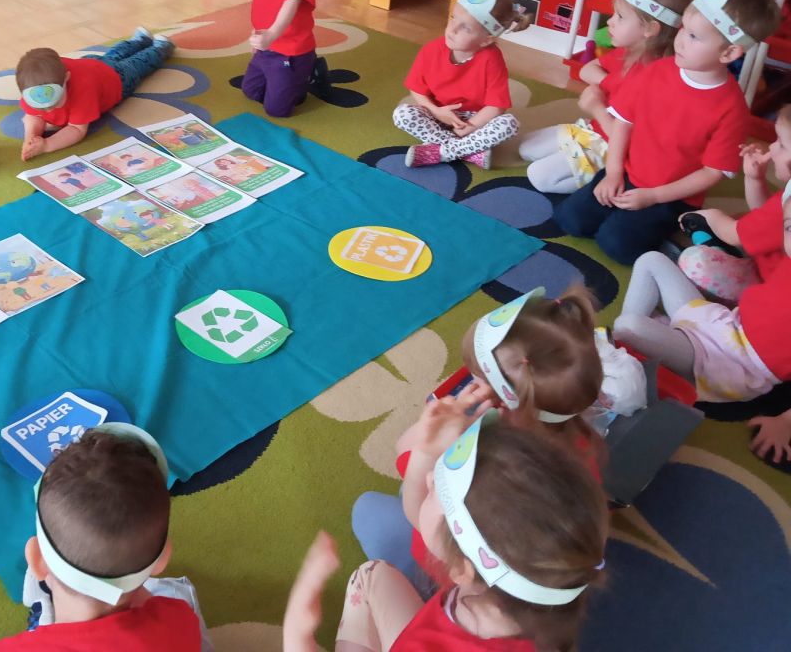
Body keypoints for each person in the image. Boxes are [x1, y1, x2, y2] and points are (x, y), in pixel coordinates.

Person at [284, 395, 608, 652]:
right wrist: (427, 452)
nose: (428, 478)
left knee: (367, 573)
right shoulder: (541, 581)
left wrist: (297, 637)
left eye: (436, 492)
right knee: (375, 567)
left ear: (461, 570)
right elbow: (425, 520)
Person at [352, 288, 603, 596]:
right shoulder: (578, 449)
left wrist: (430, 447)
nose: (470, 383)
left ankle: (424, 594)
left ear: (502, 406)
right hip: (520, 565)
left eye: (477, 379)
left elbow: (408, 470)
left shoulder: (486, 463)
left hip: (457, 574)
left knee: (367, 510)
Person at [554, 0, 782, 264]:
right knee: (570, 220)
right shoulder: (656, 70)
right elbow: (623, 123)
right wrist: (613, 173)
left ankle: (678, 228)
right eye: (683, 28)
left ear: (729, 53)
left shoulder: (732, 108)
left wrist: (653, 196)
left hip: (672, 195)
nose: (680, 39)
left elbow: (712, 172)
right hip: (627, 173)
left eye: (694, 36)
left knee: (616, 245)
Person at [0, 425, 205, 650]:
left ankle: (44, 622)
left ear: (37, 560)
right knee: (177, 592)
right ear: (162, 558)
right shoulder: (179, 619)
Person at [518, 0, 696, 193]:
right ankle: (575, 156)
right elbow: (586, 70)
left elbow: (628, 141)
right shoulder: (628, 53)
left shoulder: (659, 79)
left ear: (650, 29)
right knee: (525, 148)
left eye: (620, 17)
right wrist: (611, 84)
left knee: (539, 176)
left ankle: (610, 180)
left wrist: (596, 107)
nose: (610, 22)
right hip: (593, 131)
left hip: (614, 150)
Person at [613, 201, 791, 402]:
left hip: (731, 364)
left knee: (628, 325)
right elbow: (765, 215)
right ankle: (636, 349)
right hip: (722, 325)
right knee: (651, 260)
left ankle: (631, 352)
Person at [394, 0, 530, 170]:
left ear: (486, 40)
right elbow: (417, 89)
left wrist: (467, 128)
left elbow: (496, 107)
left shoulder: (491, 58)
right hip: (439, 114)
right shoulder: (431, 50)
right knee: (402, 114)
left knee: (509, 124)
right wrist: (437, 112)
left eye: (465, 27)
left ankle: (442, 152)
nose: (453, 28)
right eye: (453, 17)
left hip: (475, 121)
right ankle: (469, 151)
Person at [677, 104, 791, 303]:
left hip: (766, 283)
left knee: (694, 260)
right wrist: (755, 178)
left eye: (781, 144)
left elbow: (734, 234)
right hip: (770, 260)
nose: (772, 147)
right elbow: (763, 214)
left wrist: (708, 216)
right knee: (743, 220)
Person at [16, 30, 174, 162]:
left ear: (67, 78)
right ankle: (140, 39)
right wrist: (31, 137)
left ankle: (161, 47)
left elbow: (76, 130)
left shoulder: (82, 90)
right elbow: (33, 116)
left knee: (139, 63)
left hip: (117, 79)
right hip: (93, 63)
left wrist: (47, 145)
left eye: (55, 103)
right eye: (41, 107)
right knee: (114, 54)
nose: (49, 111)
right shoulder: (34, 83)